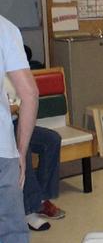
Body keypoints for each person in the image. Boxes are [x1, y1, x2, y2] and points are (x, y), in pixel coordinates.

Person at [0, 14, 39, 243]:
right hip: (3, 152)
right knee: (12, 233)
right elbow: (30, 95)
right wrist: (21, 152)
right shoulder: (4, 28)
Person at [6, 72, 66, 231]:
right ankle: (29, 210)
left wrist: (17, 106)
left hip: (15, 122)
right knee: (23, 149)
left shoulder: (11, 71)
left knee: (52, 140)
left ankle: (42, 198)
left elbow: (22, 99)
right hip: (3, 129)